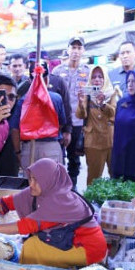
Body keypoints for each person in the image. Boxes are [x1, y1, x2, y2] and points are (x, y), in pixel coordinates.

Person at [0, 158, 107, 267]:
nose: (31, 184)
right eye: (30, 178)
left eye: (36, 180)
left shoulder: (58, 203)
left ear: (47, 180)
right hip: (70, 240)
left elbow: (21, 227)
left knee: (32, 247)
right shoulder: (44, 189)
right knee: (33, 244)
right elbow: (5, 203)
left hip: (88, 249)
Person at [10, 62, 68, 171]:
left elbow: (14, 130)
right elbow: (60, 124)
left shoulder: (22, 101)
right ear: (47, 80)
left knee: (31, 185)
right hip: (51, 147)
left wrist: (18, 151)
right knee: (51, 185)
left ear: (30, 81)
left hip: (29, 148)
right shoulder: (57, 98)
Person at [52, 37, 91, 188]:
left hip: (77, 121)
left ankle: (72, 187)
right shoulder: (57, 70)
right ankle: (58, 186)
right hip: (59, 121)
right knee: (58, 155)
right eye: (73, 48)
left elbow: (92, 96)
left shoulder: (87, 72)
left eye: (79, 48)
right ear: (67, 50)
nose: (75, 51)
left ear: (83, 51)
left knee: (74, 157)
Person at [76, 65, 118, 185]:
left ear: (105, 79)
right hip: (92, 141)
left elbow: (114, 115)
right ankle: (90, 202)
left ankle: (112, 202)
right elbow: (80, 115)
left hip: (110, 141)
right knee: (93, 178)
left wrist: (103, 103)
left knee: (115, 175)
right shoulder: (87, 93)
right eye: (94, 77)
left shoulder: (111, 93)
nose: (97, 79)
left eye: (100, 76)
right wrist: (80, 102)